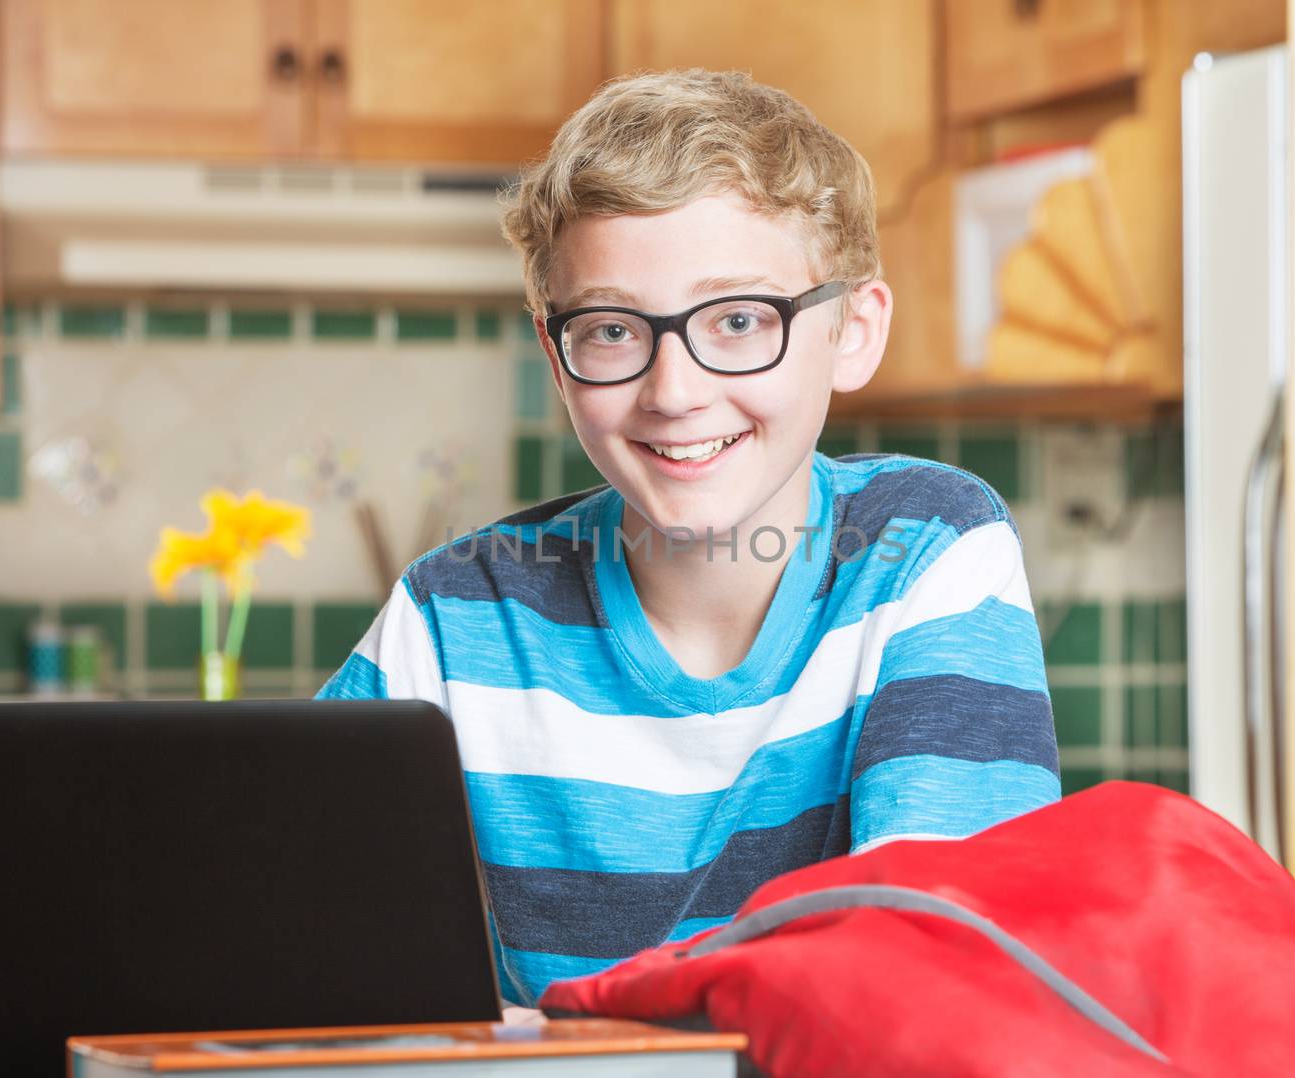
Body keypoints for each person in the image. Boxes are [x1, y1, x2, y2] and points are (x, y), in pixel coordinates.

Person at [317, 68, 1060, 1008]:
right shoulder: (454, 615)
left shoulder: (928, 548)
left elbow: (938, 976)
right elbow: (289, 924)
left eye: (741, 319)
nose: (673, 391)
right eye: (614, 330)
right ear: (557, 356)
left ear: (855, 331)